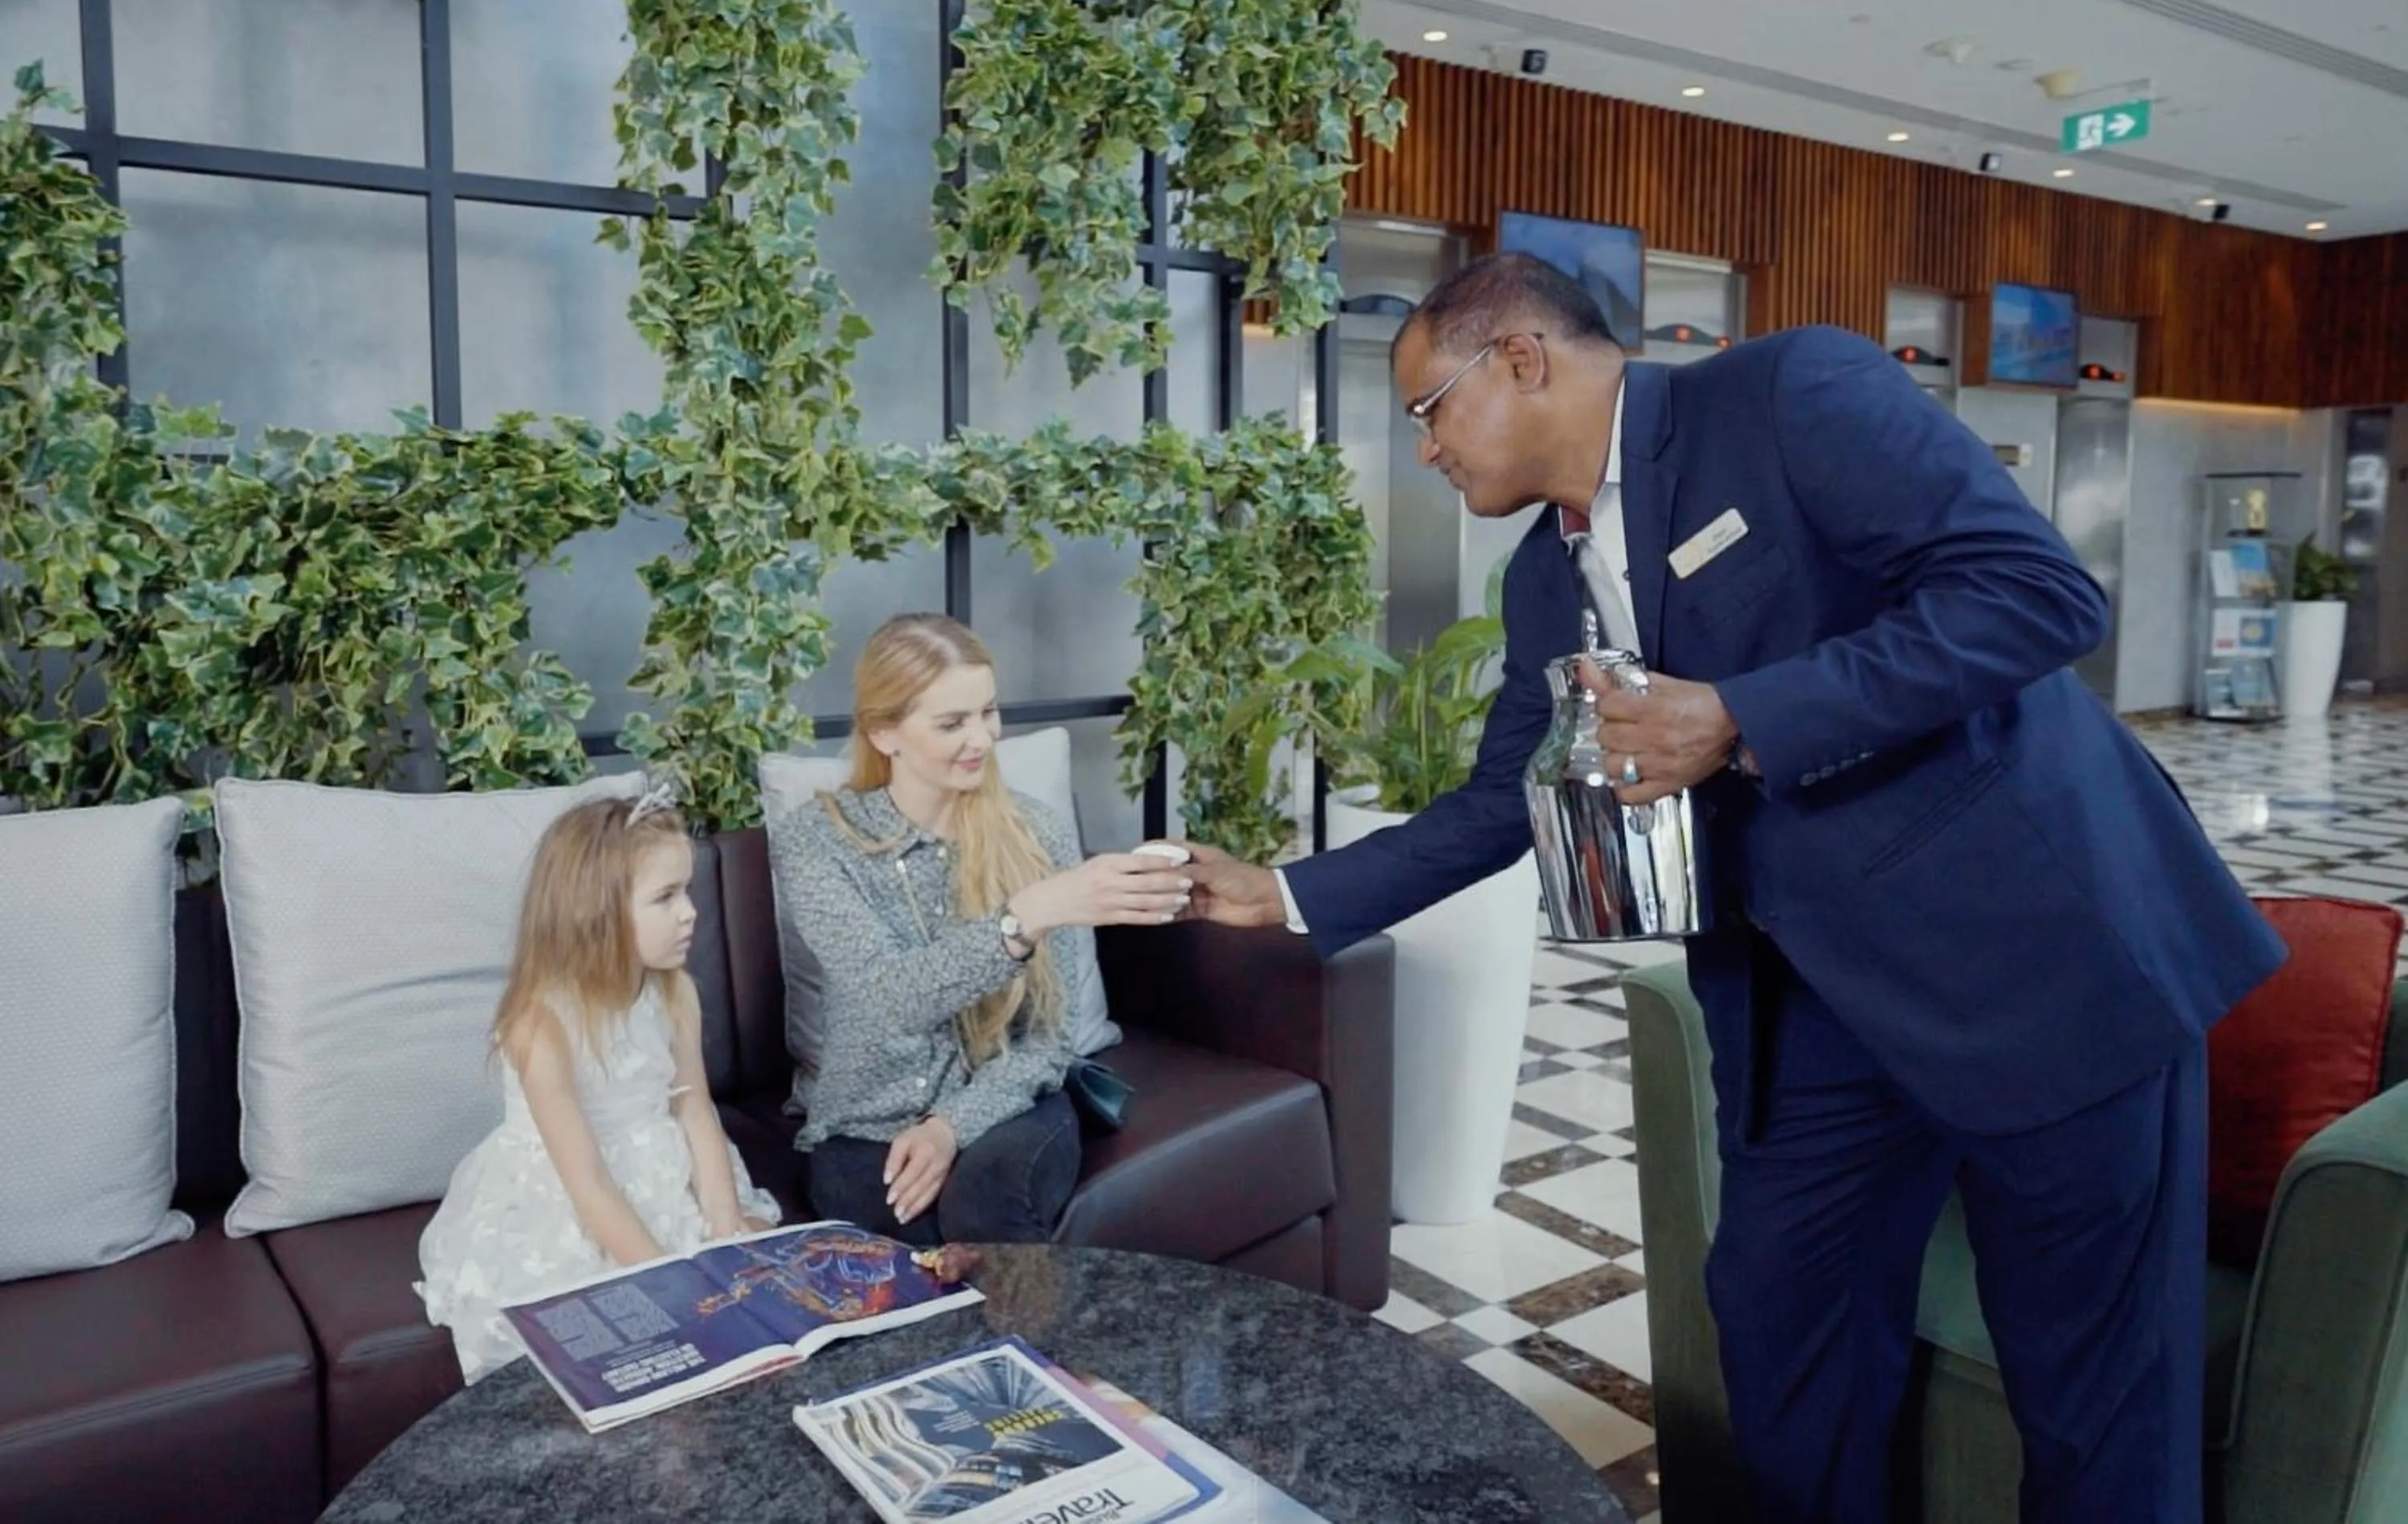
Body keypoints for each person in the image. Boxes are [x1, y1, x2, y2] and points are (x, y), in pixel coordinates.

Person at [1180, 253, 2283, 1524]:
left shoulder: (1789, 395)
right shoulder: (1544, 578)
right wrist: (1288, 892)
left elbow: (2035, 595)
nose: (1425, 447)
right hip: (1812, 1008)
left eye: (1430, 408)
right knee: (1778, 1324)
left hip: (2040, 964)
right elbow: (1503, 802)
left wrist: (1741, 717)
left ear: (1523, 358)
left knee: (2096, 1400)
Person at [768, 614, 1190, 1246]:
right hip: (864, 1120)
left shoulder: (1036, 833)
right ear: (885, 731)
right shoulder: (818, 841)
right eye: (951, 723)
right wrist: (1021, 921)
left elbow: (1048, 1042)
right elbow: (890, 999)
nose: (982, 739)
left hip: (1009, 1099)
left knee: (986, 1222)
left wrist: (950, 1127)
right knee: (909, 1255)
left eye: (987, 713)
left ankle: (1044, 1352)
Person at [417, 788, 782, 1384]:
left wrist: (723, 1223)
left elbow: (694, 1112)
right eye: (665, 897)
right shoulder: (541, 1022)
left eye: (686, 890)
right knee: (639, 1322)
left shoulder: (674, 992)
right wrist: (668, 1280)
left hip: (666, 1170)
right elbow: (584, 1176)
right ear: (596, 914)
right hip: (572, 1197)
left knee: (752, 1274)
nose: (690, 912)